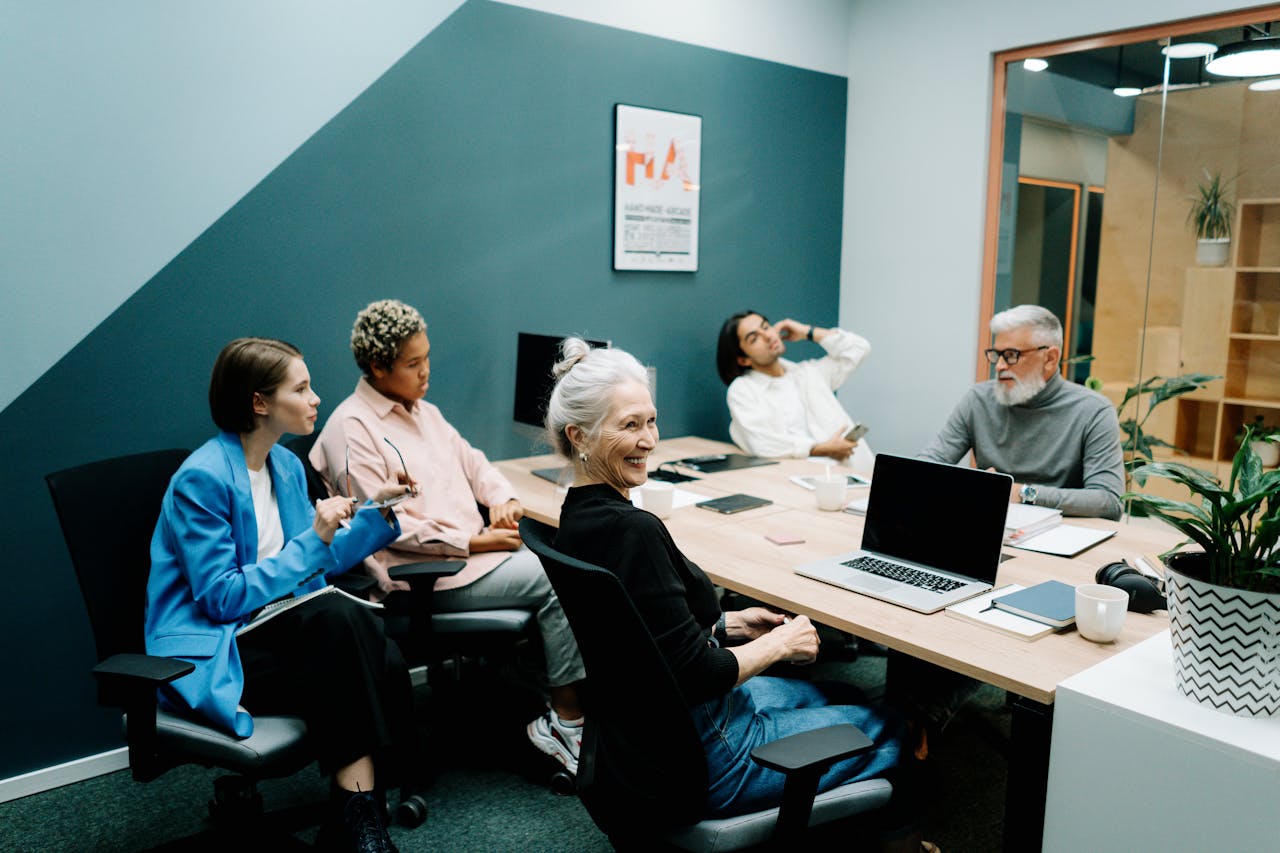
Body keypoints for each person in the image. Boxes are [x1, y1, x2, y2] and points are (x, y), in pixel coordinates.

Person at [546, 338, 930, 850]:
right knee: (888, 723)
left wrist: (733, 625)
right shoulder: (633, 530)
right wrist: (781, 644)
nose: (649, 440)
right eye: (630, 425)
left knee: (845, 692)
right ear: (580, 435)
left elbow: (638, 633)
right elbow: (697, 674)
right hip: (707, 753)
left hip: (643, 739)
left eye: (651, 421)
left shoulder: (576, 515)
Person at [146, 338, 416, 852]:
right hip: (223, 647)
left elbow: (320, 559)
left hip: (287, 638)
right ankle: (359, 813)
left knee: (371, 639)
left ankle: (355, 808)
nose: (316, 398)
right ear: (259, 402)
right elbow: (221, 598)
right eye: (302, 388)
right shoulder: (200, 480)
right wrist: (313, 538)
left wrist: (377, 509)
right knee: (342, 621)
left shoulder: (285, 467)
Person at [310, 299, 587, 774]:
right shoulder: (351, 429)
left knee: (572, 558)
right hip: (419, 578)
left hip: (473, 561)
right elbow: (380, 522)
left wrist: (503, 499)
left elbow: (475, 462)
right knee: (559, 576)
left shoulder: (424, 412)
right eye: (413, 363)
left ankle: (543, 690)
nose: (426, 372)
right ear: (378, 367)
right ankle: (567, 723)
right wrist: (474, 542)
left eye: (427, 357)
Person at [919, 304, 1124, 520]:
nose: (999, 366)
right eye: (996, 354)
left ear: (1050, 358)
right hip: (988, 527)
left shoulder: (1093, 411)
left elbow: (1108, 501)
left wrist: (1023, 493)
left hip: (1059, 535)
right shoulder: (978, 400)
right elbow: (931, 462)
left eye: (1011, 355)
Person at [716, 310, 874, 468]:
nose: (768, 336)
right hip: (792, 479)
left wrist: (807, 332)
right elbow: (760, 443)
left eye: (765, 327)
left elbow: (859, 349)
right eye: (754, 338)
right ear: (743, 360)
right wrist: (821, 449)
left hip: (849, 474)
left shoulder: (809, 374)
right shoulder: (743, 390)